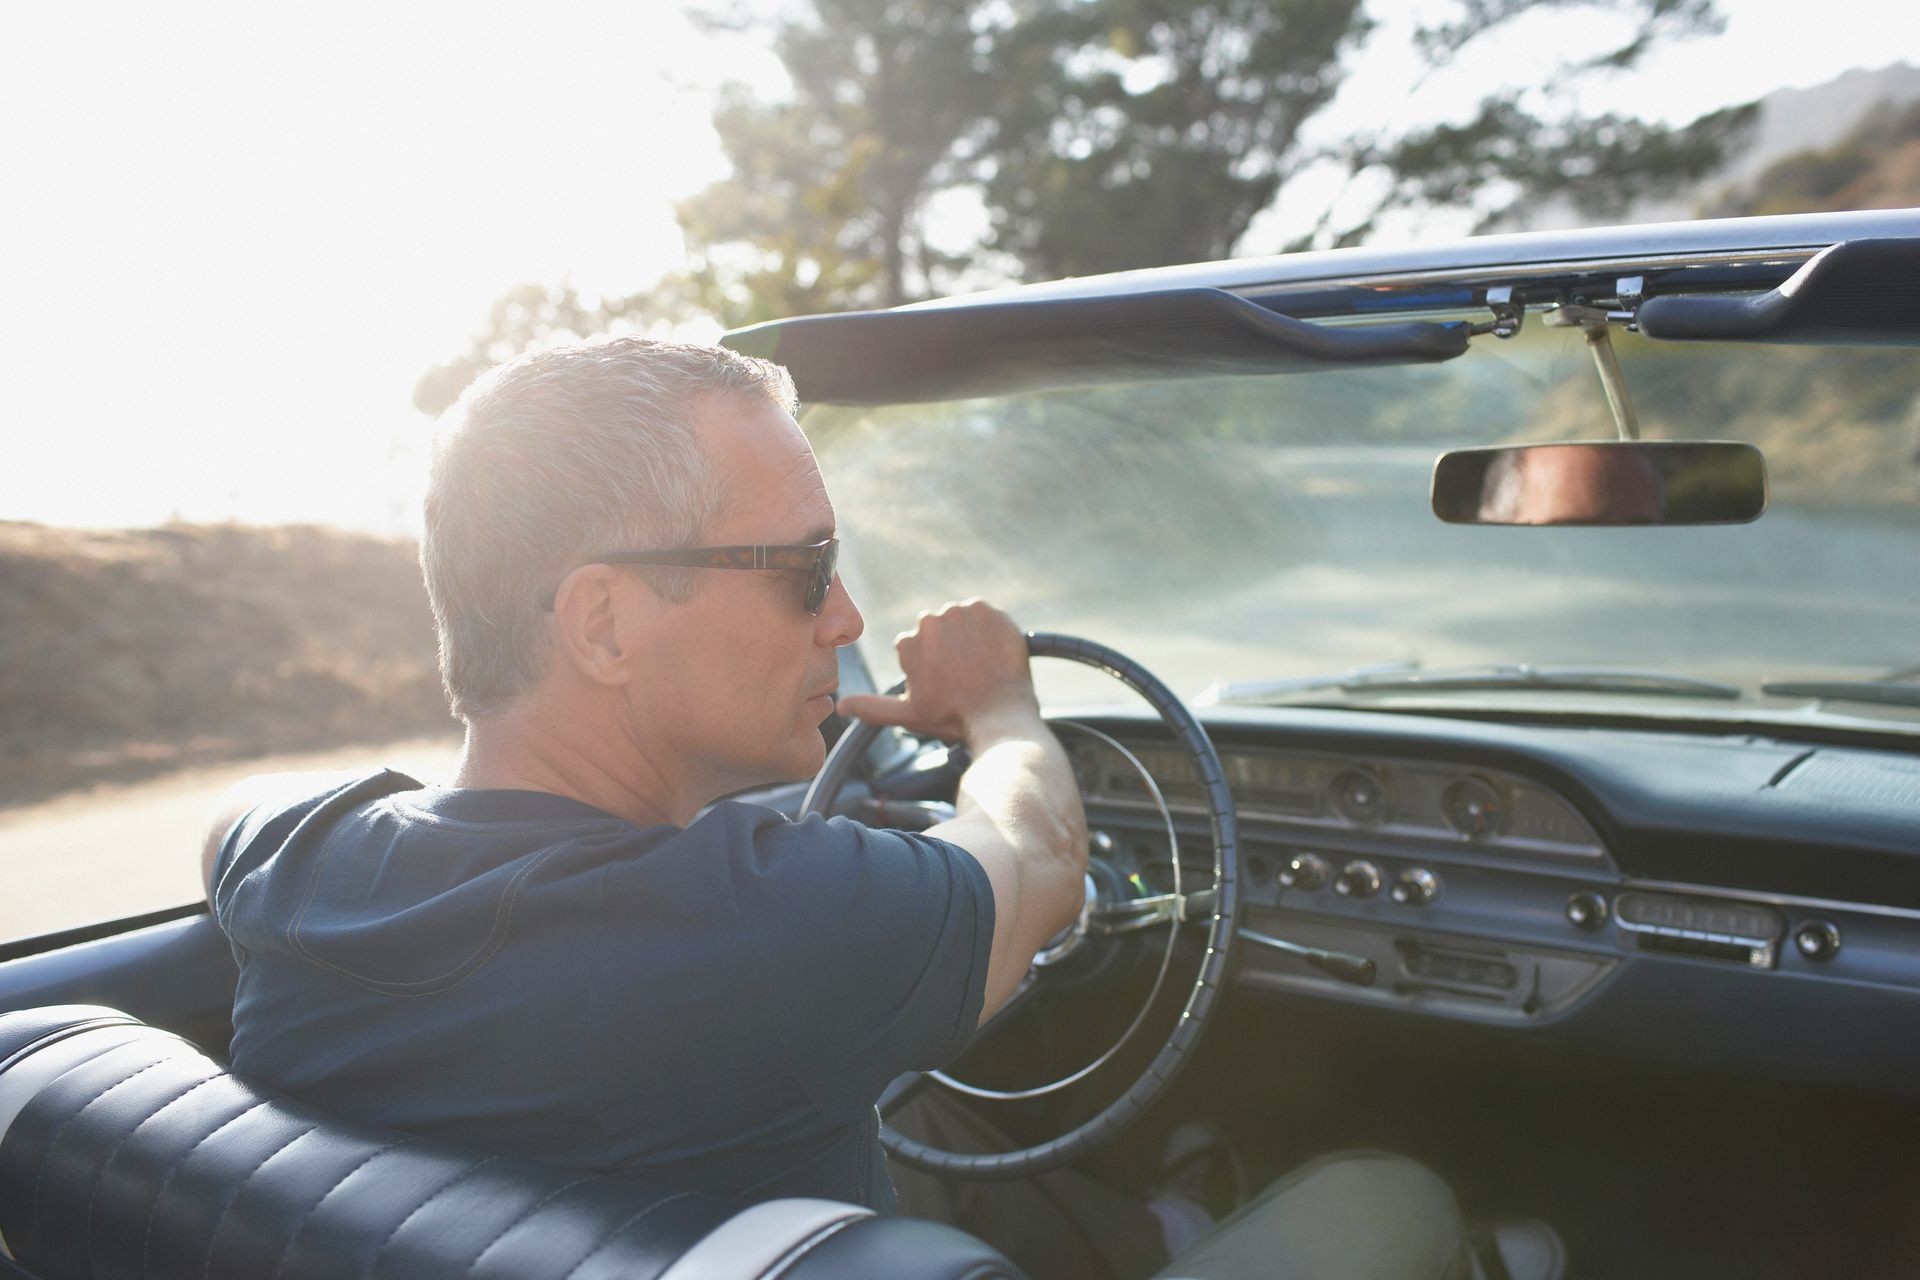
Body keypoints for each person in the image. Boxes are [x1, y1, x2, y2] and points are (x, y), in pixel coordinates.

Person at [199, 337, 1508, 1279]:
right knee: (1388, 1204)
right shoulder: (773, 922)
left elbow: (230, 823)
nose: (847, 617)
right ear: (601, 622)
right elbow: (1044, 855)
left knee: (915, 1115)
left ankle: (1148, 1233)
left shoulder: (297, 855)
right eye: (804, 571)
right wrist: (998, 708)